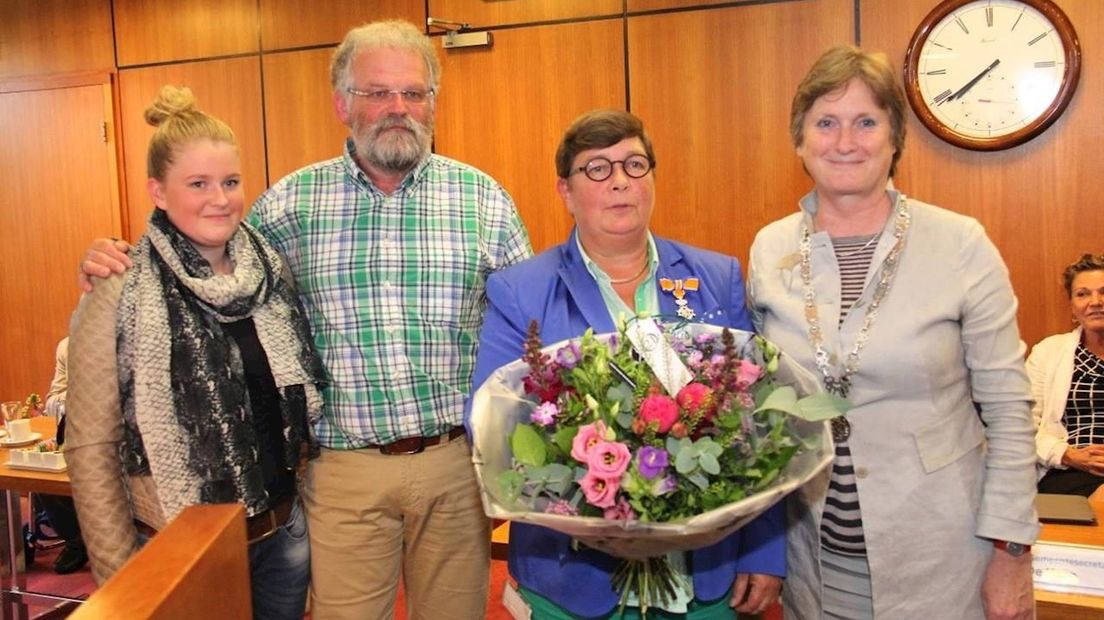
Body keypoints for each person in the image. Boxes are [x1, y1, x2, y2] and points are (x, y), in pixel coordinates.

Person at [77, 20, 532, 619]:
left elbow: (529, 332)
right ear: (343, 103)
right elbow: (207, 269)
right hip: (342, 471)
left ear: (432, 103)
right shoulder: (288, 207)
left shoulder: (484, 199)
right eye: (377, 92)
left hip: (455, 464)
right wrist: (107, 261)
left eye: (414, 93)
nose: (398, 107)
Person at [747, 45, 1038, 620]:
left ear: (894, 137)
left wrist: (1012, 553)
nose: (845, 141)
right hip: (817, 557)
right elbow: (761, 409)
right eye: (825, 123)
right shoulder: (769, 247)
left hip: (946, 556)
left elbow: (1009, 411)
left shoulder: (961, 244)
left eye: (866, 121)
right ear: (799, 140)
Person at [470, 109, 784, 619]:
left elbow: (761, 422)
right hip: (572, 579)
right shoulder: (520, 290)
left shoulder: (715, 276)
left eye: (634, 165)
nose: (619, 181)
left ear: (652, 179)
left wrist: (765, 551)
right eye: (597, 168)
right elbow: (491, 425)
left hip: (704, 574)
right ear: (566, 192)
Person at [66, 86, 325, 620]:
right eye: (198, 184)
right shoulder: (120, 287)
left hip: (282, 533)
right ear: (158, 192)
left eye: (230, 182)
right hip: (177, 545)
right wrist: (124, 579)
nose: (220, 199)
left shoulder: (270, 273)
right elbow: (90, 447)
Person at [1030, 253, 1104, 497]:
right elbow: (1020, 426)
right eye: (1083, 294)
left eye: (1103, 292)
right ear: (1073, 306)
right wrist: (1067, 454)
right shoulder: (1047, 352)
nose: (1095, 301)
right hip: (1067, 470)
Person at [35, 337, 89, 575]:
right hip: (77, 433)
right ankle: (77, 539)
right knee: (42, 474)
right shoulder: (68, 345)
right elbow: (52, 401)